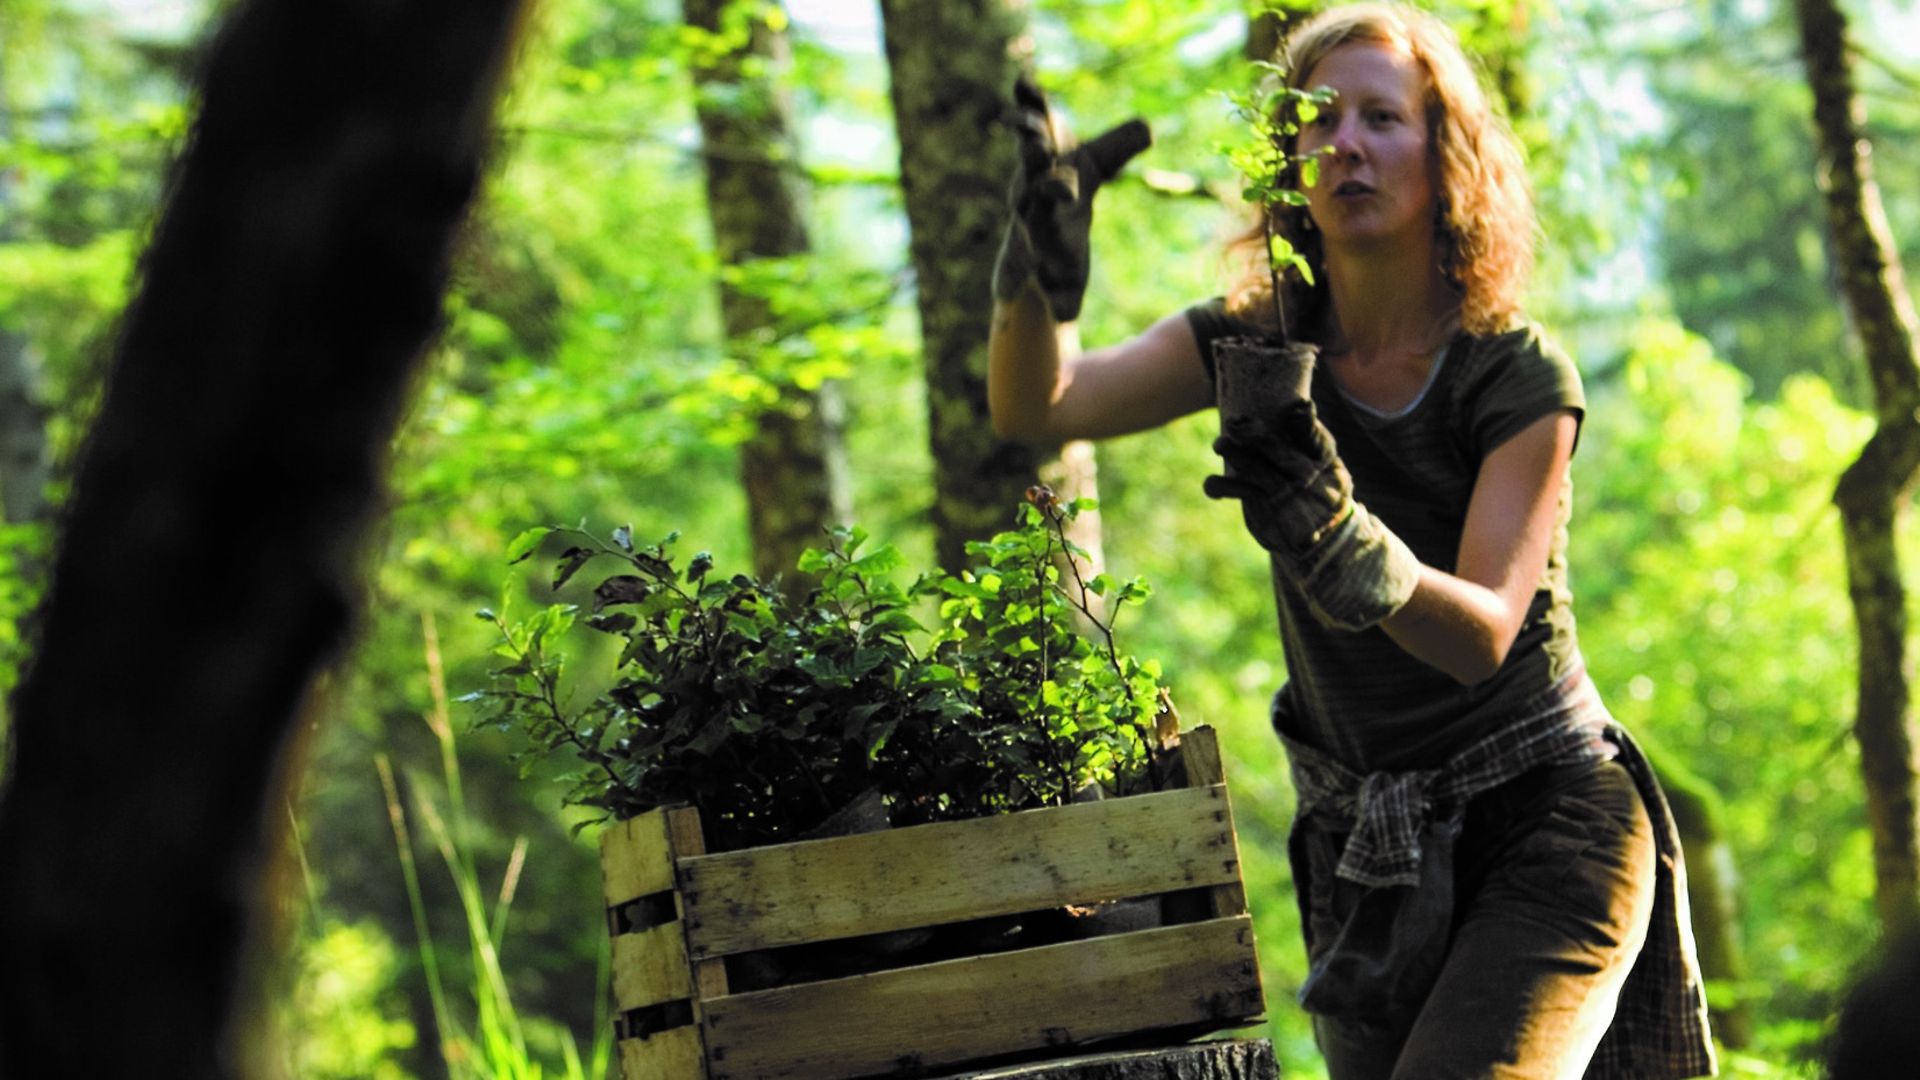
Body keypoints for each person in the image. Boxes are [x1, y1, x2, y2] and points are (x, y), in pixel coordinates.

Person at [986, 4, 1718, 1078]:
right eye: (1318, 121)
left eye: (1384, 117)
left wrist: (1332, 532)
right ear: (1287, 165)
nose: (1345, 144)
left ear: (1447, 154)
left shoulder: (1512, 373)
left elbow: (1482, 636)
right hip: (1365, 852)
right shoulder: (1254, 338)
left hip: (1549, 821)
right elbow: (1038, 404)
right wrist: (1039, 266)